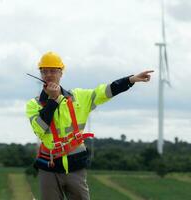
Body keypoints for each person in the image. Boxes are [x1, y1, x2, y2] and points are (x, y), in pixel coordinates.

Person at [26, 51, 154, 200]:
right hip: (49, 166)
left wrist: (130, 80)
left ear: (61, 73)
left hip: (75, 164)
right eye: (44, 71)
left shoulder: (79, 97)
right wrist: (53, 101)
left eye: (53, 70)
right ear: (40, 74)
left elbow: (105, 92)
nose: (48, 75)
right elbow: (39, 129)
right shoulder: (33, 104)